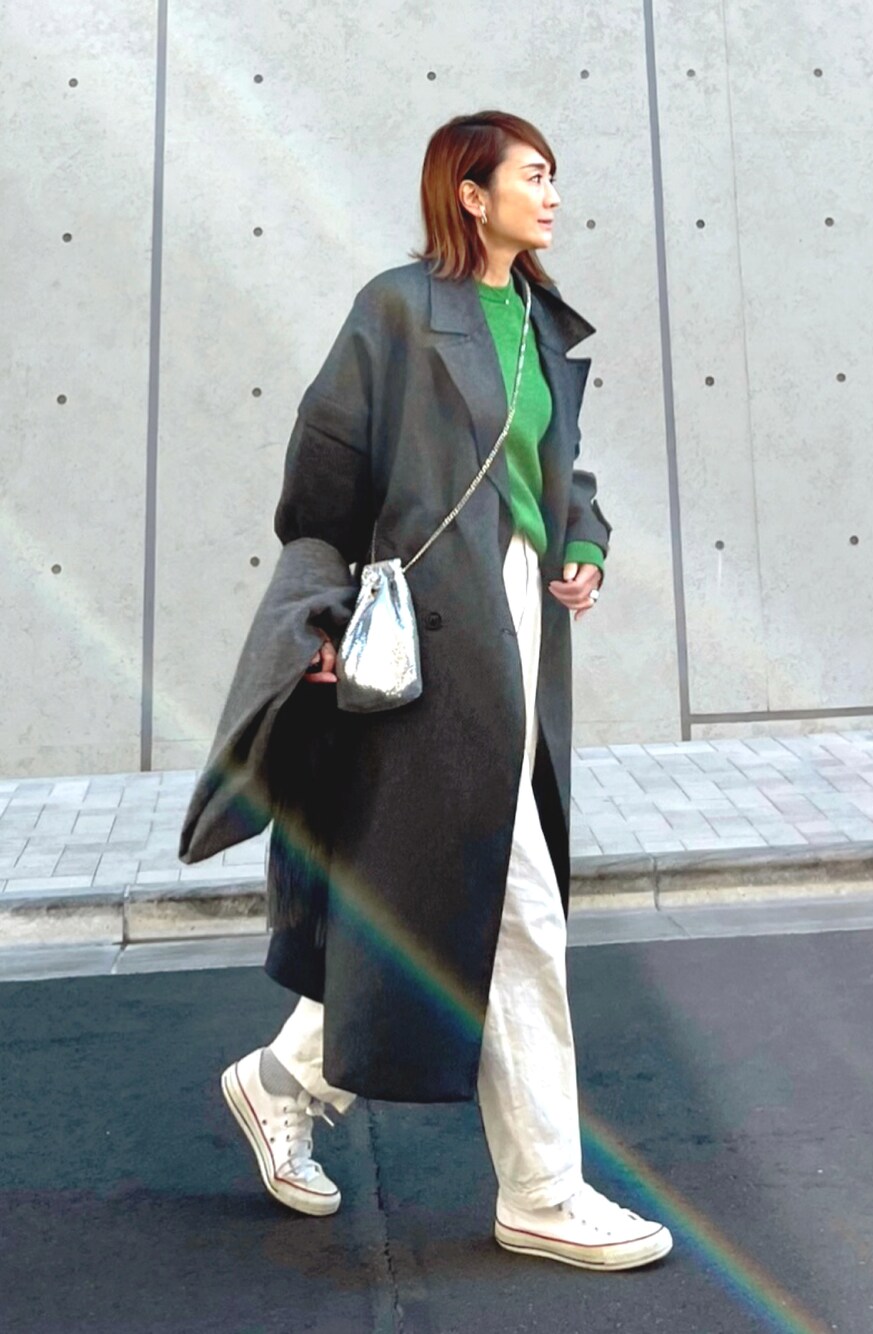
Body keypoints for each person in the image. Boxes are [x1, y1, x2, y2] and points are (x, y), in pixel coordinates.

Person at [184, 110, 672, 1271]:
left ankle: (284, 1076)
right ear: (469, 192)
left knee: (438, 893)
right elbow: (323, 478)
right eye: (532, 175)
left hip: (516, 622)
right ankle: (543, 1189)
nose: (551, 195)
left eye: (552, 176)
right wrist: (320, 613)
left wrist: (581, 541)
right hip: (431, 635)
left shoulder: (539, 323)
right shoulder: (400, 309)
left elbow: (557, 470)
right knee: (513, 903)